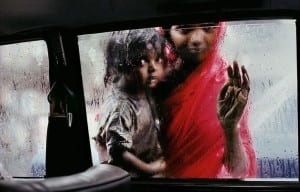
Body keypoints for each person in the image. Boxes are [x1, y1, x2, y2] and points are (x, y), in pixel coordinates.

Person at [158, 22, 256, 178]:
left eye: (208, 28)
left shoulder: (226, 85)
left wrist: (231, 129)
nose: (197, 38)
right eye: (185, 29)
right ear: (167, 33)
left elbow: (238, 173)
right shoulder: (152, 77)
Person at [93, 28, 168, 177]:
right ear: (123, 65)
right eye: (142, 61)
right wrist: (149, 169)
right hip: (132, 178)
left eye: (157, 58)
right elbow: (117, 151)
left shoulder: (142, 88)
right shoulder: (122, 106)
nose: (153, 68)